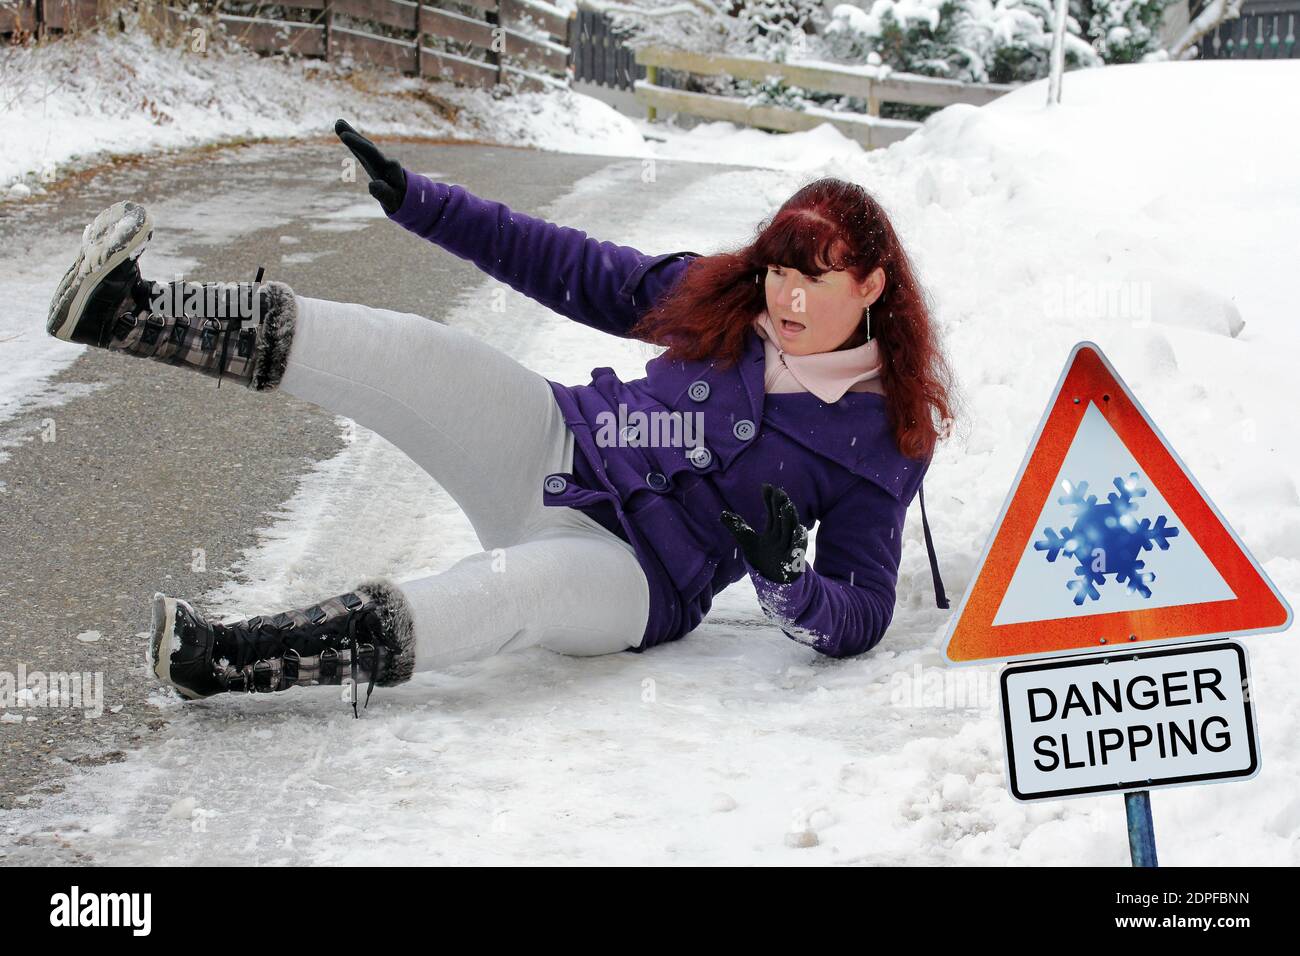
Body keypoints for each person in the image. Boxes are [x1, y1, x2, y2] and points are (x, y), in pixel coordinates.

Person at [44, 119, 953, 717]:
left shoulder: (883, 441)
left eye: (816, 277)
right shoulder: (718, 299)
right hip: (554, 444)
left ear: (870, 286)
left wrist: (791, 583)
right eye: (777, 270)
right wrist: (420, 200)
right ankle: (121, 311)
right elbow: (563, 261)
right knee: (404, 350)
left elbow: (862, 611)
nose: (786, 296)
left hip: (632, 578)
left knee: (508, 591)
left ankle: (227, 660)